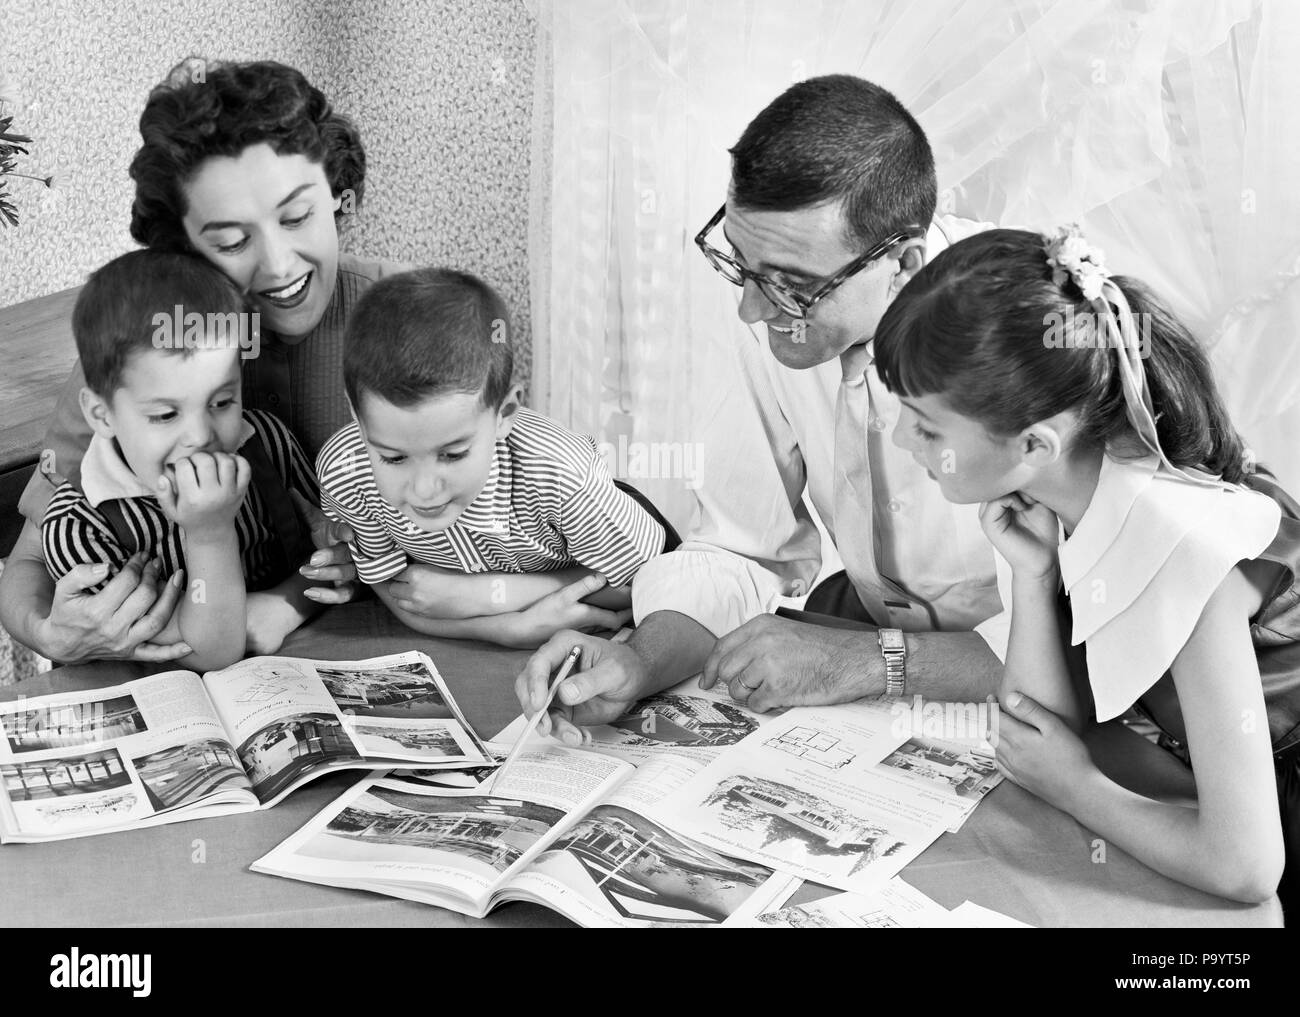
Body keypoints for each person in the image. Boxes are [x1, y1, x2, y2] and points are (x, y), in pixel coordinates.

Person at [0, 58, 621, 664]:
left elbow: (524, 518)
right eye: (231, 240)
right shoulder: (149, 343)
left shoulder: (409, 321)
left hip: (391, 649)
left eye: (298, 216)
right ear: (182, 244)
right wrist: (49, 632)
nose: (279, 266)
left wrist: (294, 604)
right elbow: (28, 558)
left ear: (338, 199)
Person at [518, 74, 1005, 742]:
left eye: (790, 285)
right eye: (741, 267)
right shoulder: (771, 312)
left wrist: (864, 661)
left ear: (905, 263)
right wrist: (638, 660)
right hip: (891, 680)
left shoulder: (1021, 333)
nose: (751, 307)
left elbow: (1084, 638)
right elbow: (741, 546)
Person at [873, 224, 1296, 907]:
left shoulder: (1180, 543)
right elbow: (1039, 730)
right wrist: (1034, 580)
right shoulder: (1059, 486)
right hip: (1203, 790)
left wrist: (1078, 787)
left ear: (1035, 443)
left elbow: (1245, 866)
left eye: (925, 425)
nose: (901, 438)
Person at [318, 267, 667, 647]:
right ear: (357, 415)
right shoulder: (345, 470)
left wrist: (488, 594)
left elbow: (648, 580)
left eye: (452, 455)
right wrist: (502, 629)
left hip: (620, 535)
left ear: (505, 413)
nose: (424, 490)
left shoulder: (561, 474)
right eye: (394, 459)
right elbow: (399, 593)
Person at [42, 250, 320, 669]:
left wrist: (291, 601)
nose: (201, 436)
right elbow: (209, 650)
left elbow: (344, 555)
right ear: (102, 414)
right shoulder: (80, 528)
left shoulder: (267, 444)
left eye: (222, 401)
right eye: (166, 414)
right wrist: (209, 532)